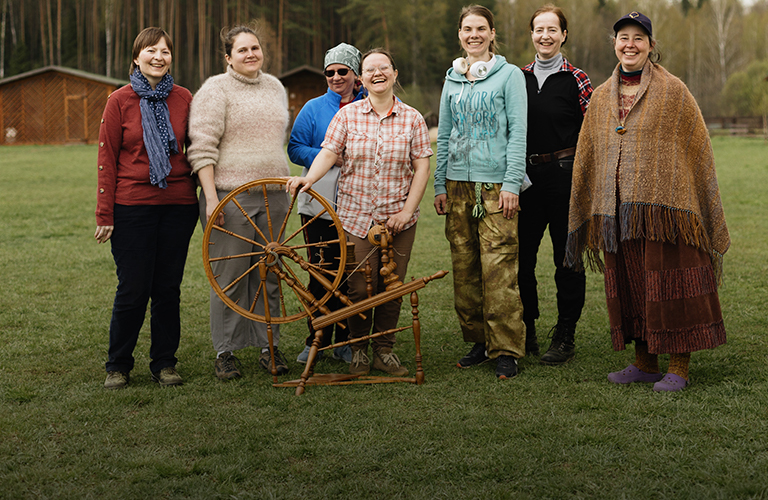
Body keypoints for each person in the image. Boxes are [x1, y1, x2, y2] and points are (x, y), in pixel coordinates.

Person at [566, 12, 730, 392]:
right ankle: (644, 363)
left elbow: (697, 146)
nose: (630, 44)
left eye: (639, 38)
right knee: (631, 285)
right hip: (617, 211)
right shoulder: (602, 96)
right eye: (623, 37)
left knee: (671, 284)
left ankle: (679, 366)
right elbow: (590, 149)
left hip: (666, 209)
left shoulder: (674, 91)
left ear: (651, 46)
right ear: (614, 44)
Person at [287, 48, 433, 377]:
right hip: (355, 217)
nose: (377, 73)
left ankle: (384, 351)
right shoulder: (347, 116)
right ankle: (357, 350)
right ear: (363, 78)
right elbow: (328, 153)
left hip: (399, 219)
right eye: (370, 69)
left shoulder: (413, 118)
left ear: (395, 74)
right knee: (358, 288)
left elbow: (422, 167)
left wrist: (407, 211)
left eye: (384, 68)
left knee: (391, 286)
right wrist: (308, 179)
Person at [95, 27, 198, 390]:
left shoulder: (185, 98)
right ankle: (118, 365)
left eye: (165, 51)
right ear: (136, 58)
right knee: (133, 288)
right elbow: (106, 159)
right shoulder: (119, 100)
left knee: (168, 288)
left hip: (179, 206)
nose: (159, 56)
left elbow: (199, 151)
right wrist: (104, 214)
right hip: (132, 206)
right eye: (151, 50)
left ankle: (165, 364)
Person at [187, 24, 291, 380]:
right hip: (231, 198)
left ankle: (270, 346)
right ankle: (226, 351)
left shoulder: (275, 87)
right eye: (242, 50)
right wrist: (213, 199)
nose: (251, 54)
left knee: (270, 271)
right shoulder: (215, 90)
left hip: (275, 195)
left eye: (255, 48)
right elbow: (201, 148)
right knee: (230, 274)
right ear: (228, 57)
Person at [433, 5, 527, 380]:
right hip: (457, 186)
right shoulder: (452, 79)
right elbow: (444, 133)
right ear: (460, 35)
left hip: (495, 187)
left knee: (499, 268)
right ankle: (477, 341)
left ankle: (505, 349)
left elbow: (518, 132)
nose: (474, 35)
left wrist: (511, 183)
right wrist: (440, 183)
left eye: (481, 29)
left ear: (492, 33)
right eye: (467, 29)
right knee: (465, 269)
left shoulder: (509, 76)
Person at [519, 4, 592, 364]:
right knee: (520, 260)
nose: (545, 36)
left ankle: (565, 334)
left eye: (552, 29)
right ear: (531, 34)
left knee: (567, 260)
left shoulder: (577, 79)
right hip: (524, 181)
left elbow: (593, 134)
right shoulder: (516, 78)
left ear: (563, 35)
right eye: (538, 29)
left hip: (566, 179)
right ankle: (526, 328)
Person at [287, 42, 366, 365]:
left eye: (342, 71)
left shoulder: (369, 105)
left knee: (350, 274)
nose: (335, 77)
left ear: (355, 74)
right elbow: (294, 148)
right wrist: (328, 158)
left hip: (358, 205)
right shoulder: (313, 108)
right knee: (320, 273)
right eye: (329, 72)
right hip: (317, 204)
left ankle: (347, 341)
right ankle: (316, 337)